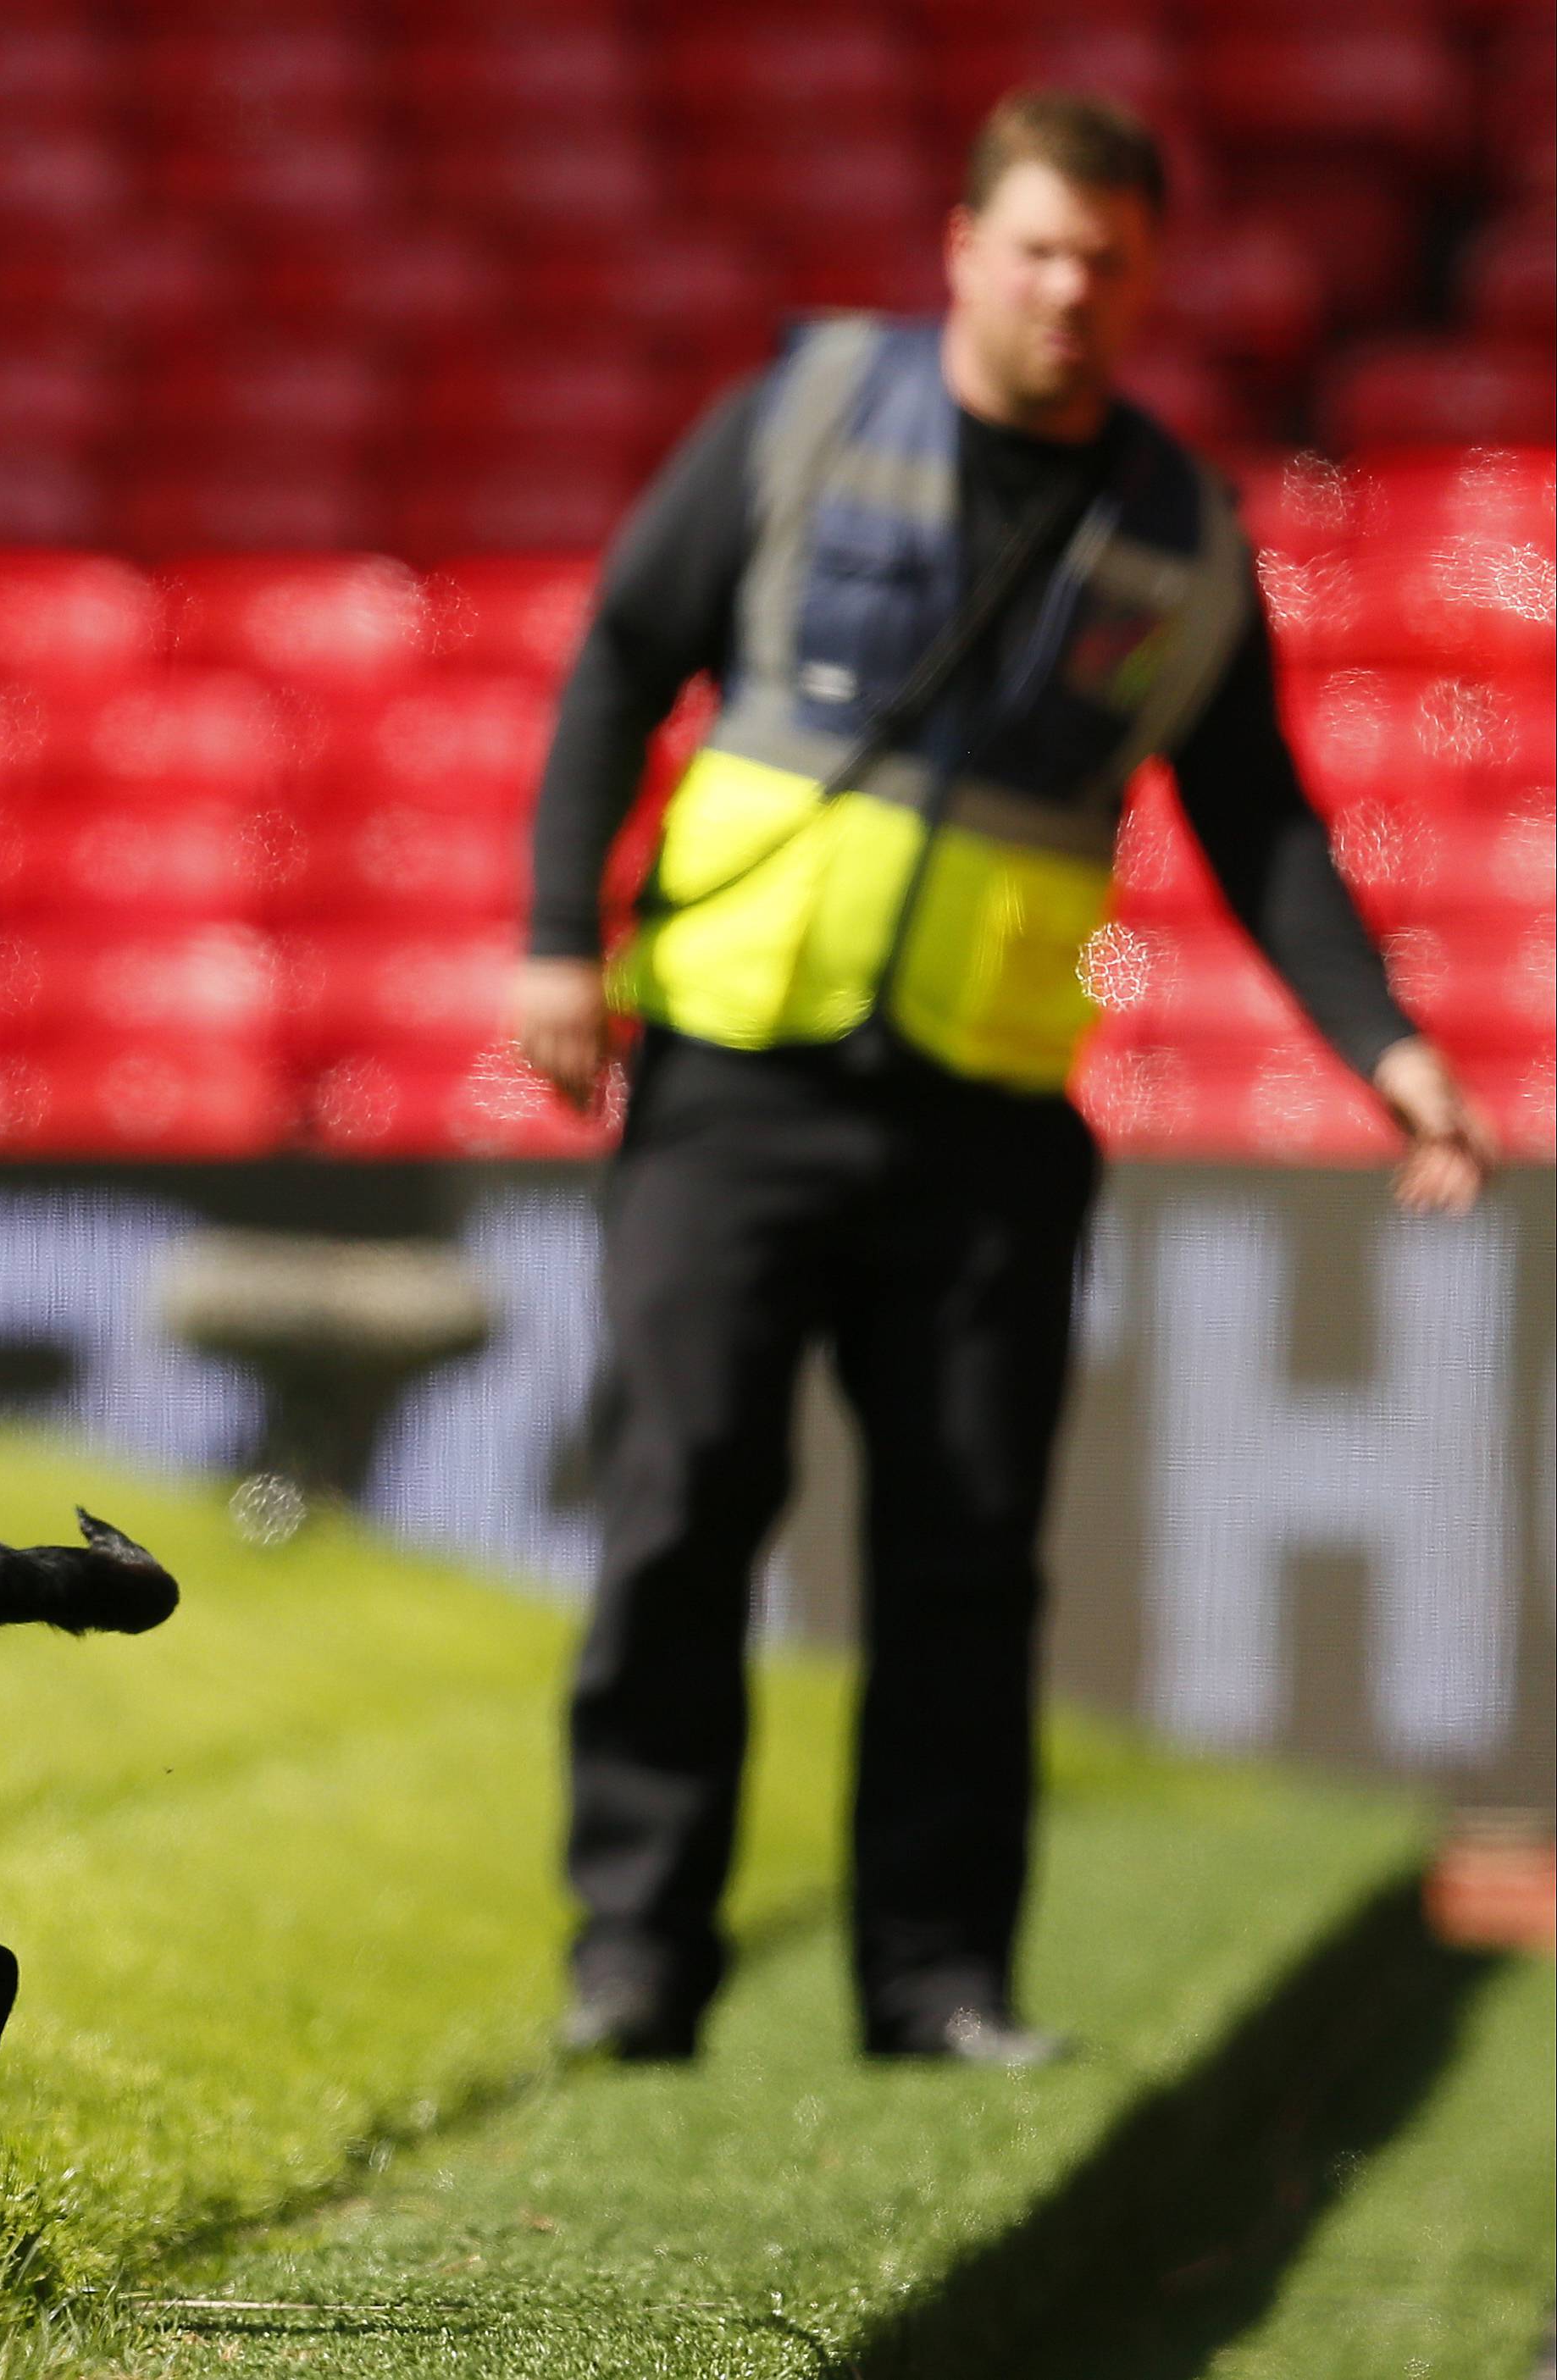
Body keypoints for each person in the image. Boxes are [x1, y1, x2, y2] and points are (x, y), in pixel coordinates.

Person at [514, 91, 1497, 2067]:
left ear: (1146, 282)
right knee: (681, 1501)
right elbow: (625, 648)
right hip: (737, 1073)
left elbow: (1262, 821)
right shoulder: (801, 422)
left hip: (988, 1113)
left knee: (964, 1549)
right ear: (962, 248)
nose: (1071, 291)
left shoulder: (1176, 530)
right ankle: (637, 1953)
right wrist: (556, 933)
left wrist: (1385, 1049)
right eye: (1040, 249)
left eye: (1110, 262)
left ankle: (938, 1975)